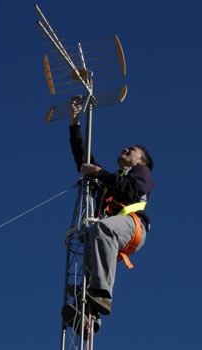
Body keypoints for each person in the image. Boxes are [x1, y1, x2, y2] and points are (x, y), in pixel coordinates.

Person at [62, 95, 154, 325]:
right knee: (91, 264)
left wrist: (99, 173)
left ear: (141, 161)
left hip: (133, 227)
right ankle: (89, 321)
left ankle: (102, 294)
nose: (125, 149)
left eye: (131, 150)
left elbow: (132, 190)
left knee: (101, 229)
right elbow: (83, 160)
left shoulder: (141, 174)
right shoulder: (112, 180)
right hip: (111, 232)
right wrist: (75, 122)